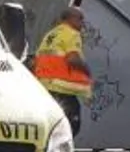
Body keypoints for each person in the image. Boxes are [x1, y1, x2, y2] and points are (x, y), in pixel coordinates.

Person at [32, 7, 93, 136]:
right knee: (71, 126)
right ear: (70, 18)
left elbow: (37, 59)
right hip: (61, 88)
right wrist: (87, 70)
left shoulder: (51, 34)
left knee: (51, 124)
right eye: (80, 18)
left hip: (45, 86)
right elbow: (73, 59)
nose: (82, 23)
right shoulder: (72, 33)